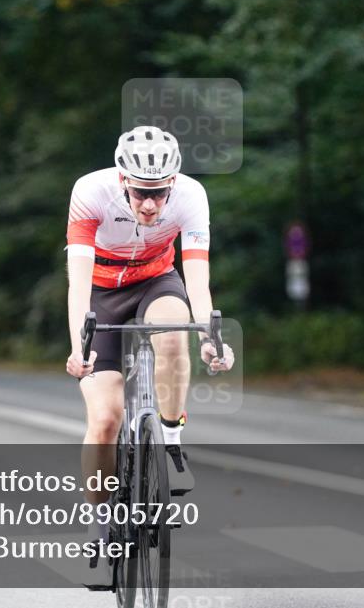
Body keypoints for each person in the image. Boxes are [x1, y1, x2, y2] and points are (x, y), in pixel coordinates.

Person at [64, 125, 234, 588]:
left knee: (174, 334)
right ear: (123, 180)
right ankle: (100, 533)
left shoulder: (192, 196)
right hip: (100, 292)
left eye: (159, 193)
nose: (150, 205)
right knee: (104, 419)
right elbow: (78, 280)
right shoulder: (90, 192)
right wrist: (79, 346)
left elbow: (197, 277)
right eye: (141, 193)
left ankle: (172, 445)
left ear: (173, 184)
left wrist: (208, 336)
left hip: (156, 281)